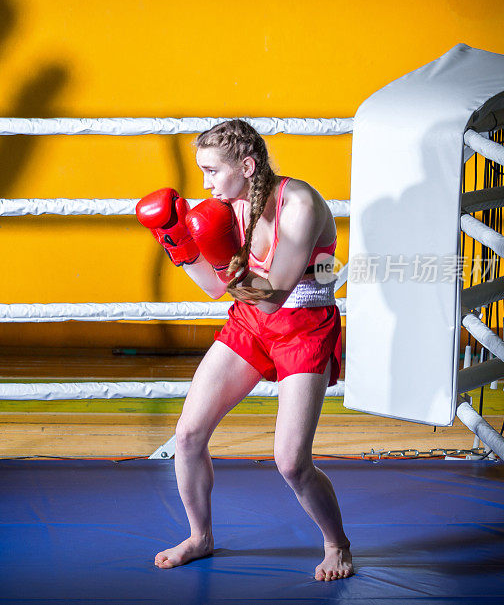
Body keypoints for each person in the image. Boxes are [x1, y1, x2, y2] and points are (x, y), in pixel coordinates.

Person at [136, 119, 353, 581]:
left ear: (248, 166)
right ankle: (200, 536)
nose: (204, 183)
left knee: (292, 463)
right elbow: (218, 288)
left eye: (212, 171)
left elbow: (274, 293)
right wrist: (180, 245)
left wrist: (213, 254)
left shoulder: (300, 204)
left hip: (304, 326)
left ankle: (337, 543)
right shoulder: (225, 208)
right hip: (251, 324)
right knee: (188, 436)